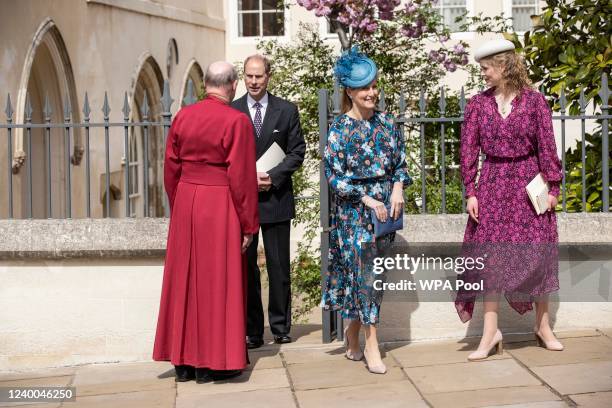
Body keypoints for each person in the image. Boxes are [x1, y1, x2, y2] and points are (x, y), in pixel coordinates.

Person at [456, 39, 564, 361]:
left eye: (486, 69)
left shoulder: (535, 102)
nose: (483, 75)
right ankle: (491, 333)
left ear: (503, 66)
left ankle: (542, 327)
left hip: (530, 184)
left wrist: (554, 189)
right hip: (491, 185)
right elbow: (468, 151)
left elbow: (547, 147)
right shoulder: (477, 104)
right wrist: (470, 192)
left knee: (538, 254)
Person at [153, 61, 259, 382]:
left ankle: (183, 363)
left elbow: (170, 168)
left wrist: (180, 204)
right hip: (220, 202)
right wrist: (249, 224)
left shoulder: (183, 116)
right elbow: (241, 178)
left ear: (204, 83)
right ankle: (214, 362)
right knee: (218, 281)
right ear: (234, 85)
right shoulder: (237, 121)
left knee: (185, 281)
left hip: (187, 198)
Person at [322, 47, 412, 374]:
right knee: (366, 277)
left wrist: (397, 188)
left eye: (374, 85)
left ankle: (352, 331)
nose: (372, 92)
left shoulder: (387, 123)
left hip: (385, 214)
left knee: (376, 278)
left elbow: (400, 163)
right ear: (349, 91)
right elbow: (334, 176)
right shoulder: (339, 130)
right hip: (354, 214)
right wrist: (366, 197)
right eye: (365, 87)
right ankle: (373, 343)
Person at [232, 54, 306, 349]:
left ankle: (280, 327)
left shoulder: (286, 110)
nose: (253, 81)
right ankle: (252, 331)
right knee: (247, 268)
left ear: (268, 76)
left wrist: (272, 177)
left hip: (276, 198)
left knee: (278, 266)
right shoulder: (232, 110)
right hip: (242, 203)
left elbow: (297, 151)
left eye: (258, 76)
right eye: (249, 76)